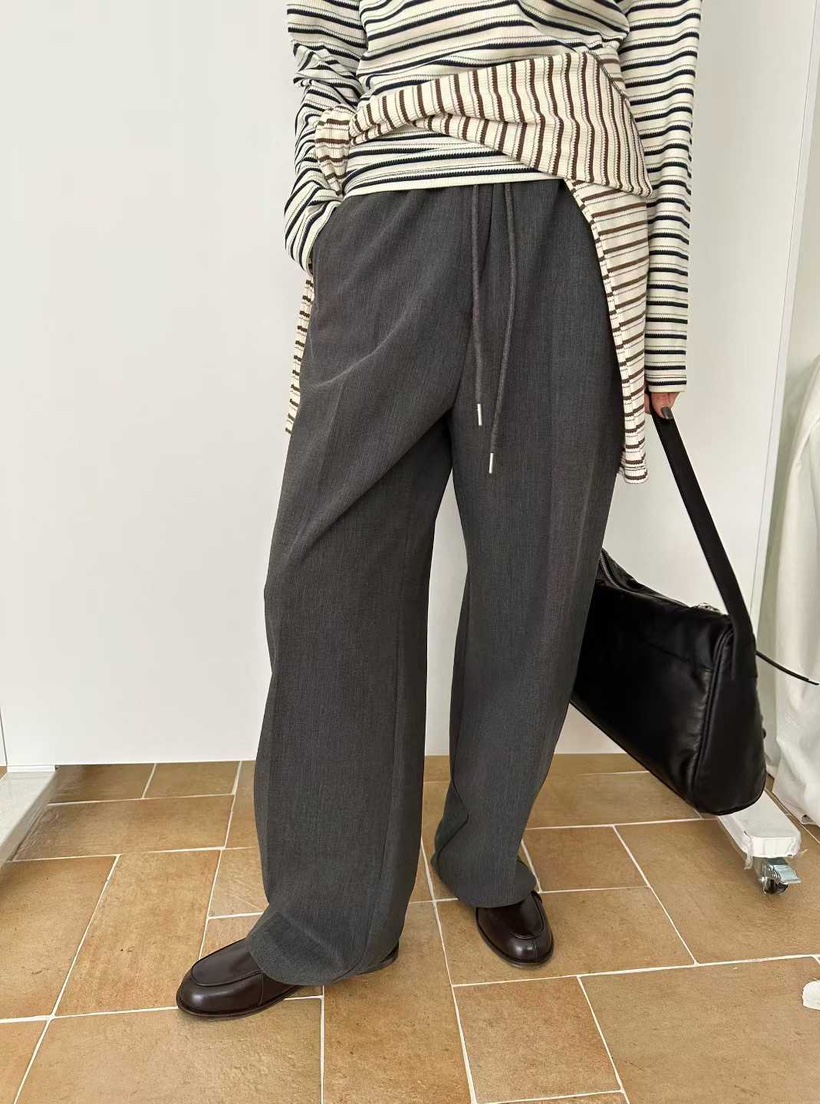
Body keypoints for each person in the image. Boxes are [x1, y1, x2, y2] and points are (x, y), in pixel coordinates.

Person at [176, 0, 703, 1019]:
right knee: (324, 574)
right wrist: (321, 215)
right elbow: (326, 45)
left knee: (535, 576)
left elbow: (663, 62)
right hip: (385, 213)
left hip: (571, 213)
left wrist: (663, 315)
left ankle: (487, 852)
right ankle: (328, 916)